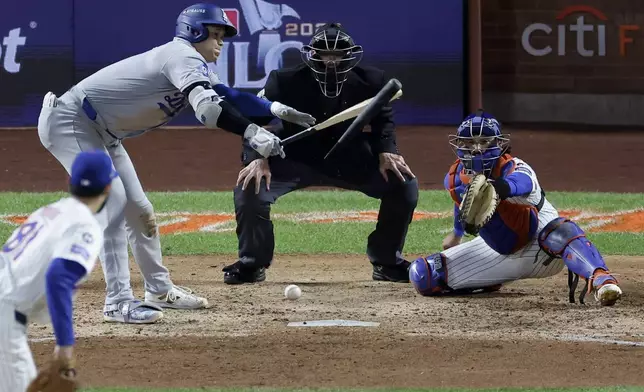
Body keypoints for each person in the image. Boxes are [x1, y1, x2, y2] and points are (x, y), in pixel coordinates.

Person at [37, 2, 315, 324]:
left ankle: (158, 289)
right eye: (215, 34)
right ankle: (117, 302)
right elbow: (210, 112)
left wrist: (275, 109)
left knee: (139, 211)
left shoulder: (195, 64)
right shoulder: (181, 55)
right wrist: (253, 133)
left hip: (103, 133)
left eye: (222, 36)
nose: (220, 42)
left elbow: (228, 97)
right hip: (72, 121)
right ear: (194, 32)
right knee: (112, 202)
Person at [224, 22, 419, 285]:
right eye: (324, 55)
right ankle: (251, 264)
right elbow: (253, 123)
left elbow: (383, 119)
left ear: (350, 56)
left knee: (403, 184)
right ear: (311, 55)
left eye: (337, 55)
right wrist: (257, 158)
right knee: (250, 186)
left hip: (351, 157)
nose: (330, 62)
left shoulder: (373, 81)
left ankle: (387, 262)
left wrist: (386, 150)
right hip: (294, 155)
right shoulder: (284, 81)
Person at [408, 110, 623, 306]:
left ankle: (600, 278)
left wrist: (499, 188)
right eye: (469, 142)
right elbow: (463, 205)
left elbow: (523, 184)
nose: (476, 149)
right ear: (459, 145)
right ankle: (487, 281)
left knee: (559, 230)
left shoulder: (515, 168)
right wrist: (456, 234)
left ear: (499, 145)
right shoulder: (455, 179)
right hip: (498, 252)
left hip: (541, 247)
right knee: (424, 275)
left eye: (484, 142)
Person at [0, 151, 119, 391]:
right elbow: (58, 277)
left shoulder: (48, 212)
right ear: (108, 187)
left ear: (70, 182)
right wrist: (65, 346)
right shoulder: (85, 226)